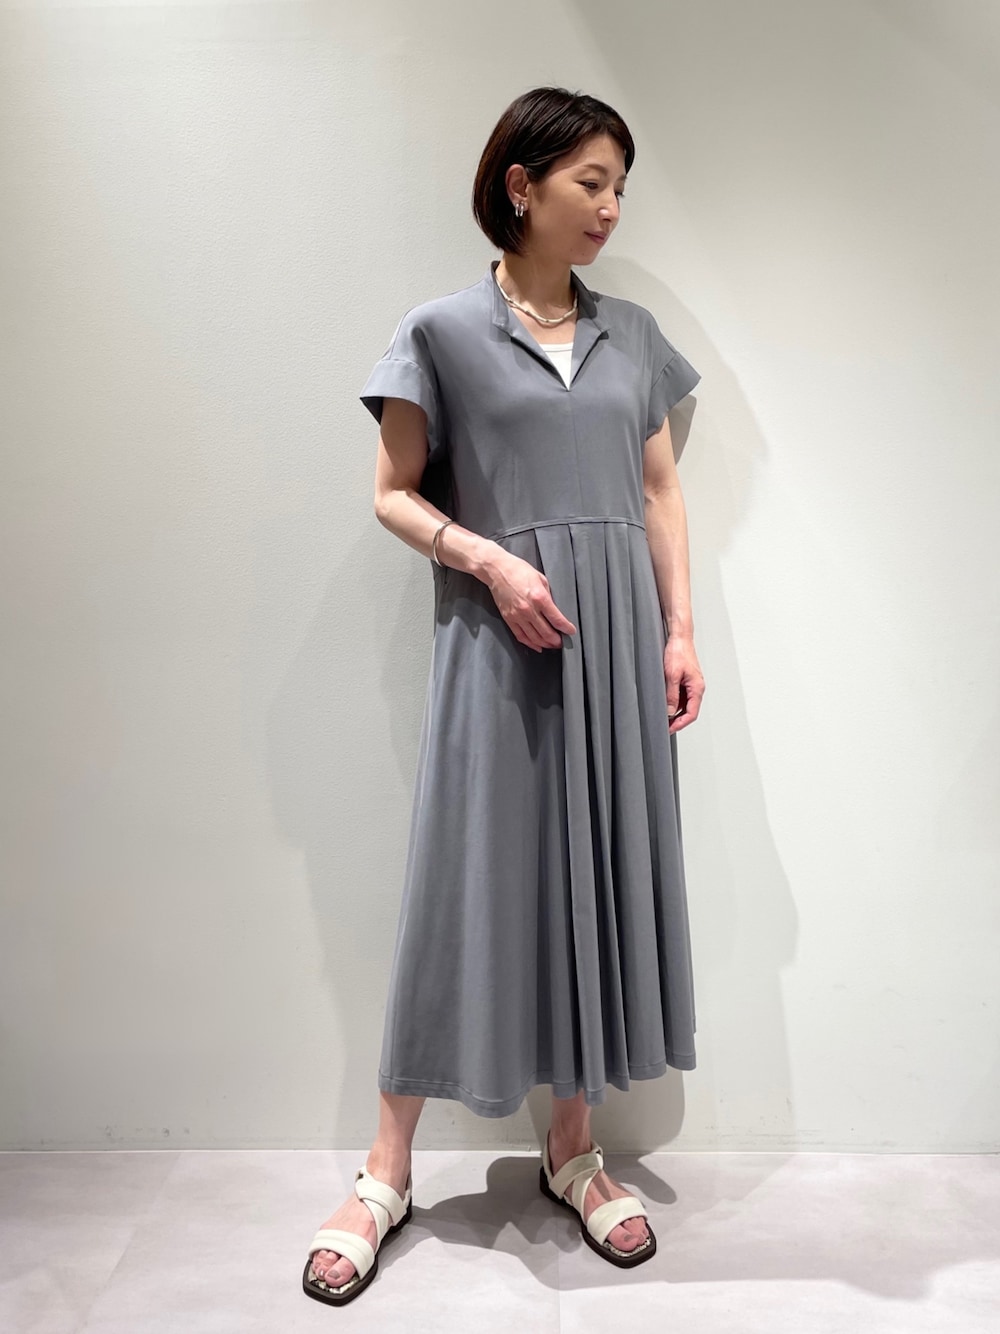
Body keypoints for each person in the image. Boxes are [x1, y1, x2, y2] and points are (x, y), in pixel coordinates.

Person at [303, 85, 705, 1307]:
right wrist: (486, 558)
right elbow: (392, 491)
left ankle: (571, 1147)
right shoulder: (439, 330)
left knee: (591, 876)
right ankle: (385, 1170)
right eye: (590, 181)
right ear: (520, 184)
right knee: (464, 884)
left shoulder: (631, 334)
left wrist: (679, 629)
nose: (611, 207)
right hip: (498, 640)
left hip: (614, 647)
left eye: (620, 186)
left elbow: (657, 493)